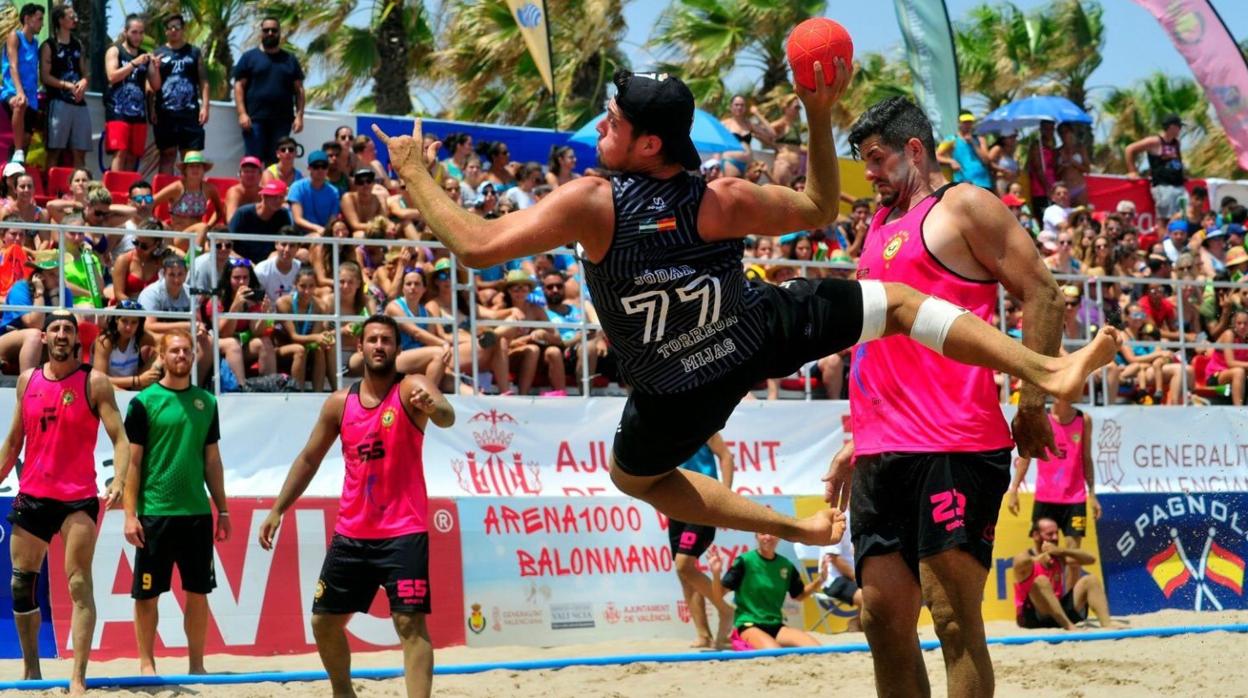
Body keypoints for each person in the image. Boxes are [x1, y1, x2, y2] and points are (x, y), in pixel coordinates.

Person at [376, 68, 1119, 552]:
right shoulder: (719, 198)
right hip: (752, 334)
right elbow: (825, 204)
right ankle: (1044, 371)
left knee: (636, 479)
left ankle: (789, 525)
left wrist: (413, 172)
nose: (604, 120)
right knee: (895, 304)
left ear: (649, 143)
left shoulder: (593, 203)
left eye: (615, 117)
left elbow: (474, 246)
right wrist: (817, 116)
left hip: (675, 383)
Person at [820, 95, 1095, 698]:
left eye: (875, 158)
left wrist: (1029, 405)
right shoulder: (878, 226)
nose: (868, 174)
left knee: (952, 621)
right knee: (879, 617)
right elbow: (879, 348)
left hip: (956, 441)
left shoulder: (965, 205)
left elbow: (1044, 295)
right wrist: (856, 440)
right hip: (882, 445)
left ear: (913, 149)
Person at [258, 315, 454, 698]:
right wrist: (278, 508)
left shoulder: (412, 386)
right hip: (353, 533)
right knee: (323, 622)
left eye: (386, 340)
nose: (379, 346)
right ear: (359, 349)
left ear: (397, 349)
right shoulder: (339, 404)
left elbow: (446, 416)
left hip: (403, 531)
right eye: (372, 340)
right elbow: (308, 459)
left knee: (409, 623)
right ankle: (343, 693)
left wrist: (434, 407)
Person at [0, 310, 130, 695]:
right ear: (43, 337)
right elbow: (12, 442)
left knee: (78, 584)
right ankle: (32, 670)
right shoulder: (28, 381)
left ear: (77, 339)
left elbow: (121, 439)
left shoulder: (95, 382)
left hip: (77, 499)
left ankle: (77, 677)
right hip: (33, 495)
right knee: (22, 586)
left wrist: (119, 480)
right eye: (55, 328)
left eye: (68, 330)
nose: (61, 335)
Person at [122, 329, 229, 675]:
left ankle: (196, 665)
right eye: (175, 351)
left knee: (198, 593)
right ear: (162, 356)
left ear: (194, 356)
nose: (182, 356)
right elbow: (132, 464)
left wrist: (223, 509)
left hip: (197, 513)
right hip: (156, 513)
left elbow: (212, 460)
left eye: (187, 351)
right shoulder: (144, 402)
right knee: (147, 595)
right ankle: (146, 662)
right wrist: (129, 515)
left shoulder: (206, 402)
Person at [1006, 397, 1099, 584]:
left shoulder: (1084, 419)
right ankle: (1046, 605)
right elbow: (1026, 455)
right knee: (1043, 557)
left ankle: (1070, 606)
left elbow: (1086, 458)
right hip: (1045, 497)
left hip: (1075, 498)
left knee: (1073, 558)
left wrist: (1092, 493)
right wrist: (1014, 489)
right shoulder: (1041, 419)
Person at [669, 434, 736, 649]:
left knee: (684, 565)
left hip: (704, 503)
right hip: (674, 506)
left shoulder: (703, 425)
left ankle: (725, 610)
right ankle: (703, 634)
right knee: (684, 573)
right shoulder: (660, 429)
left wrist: (725, 496)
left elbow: (726, 457)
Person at [709, 531, 823, 649]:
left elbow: (799, 595)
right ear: (756, 536)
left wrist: (821, 579)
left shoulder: (786, 565)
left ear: (779, 537)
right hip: (749, 624)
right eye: (763, 533)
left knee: (816, 648)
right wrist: (716, 574)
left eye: (772, 533)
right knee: (774, 651)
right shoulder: (744, 561)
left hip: (776, 626)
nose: (768, 537)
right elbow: (719, 594)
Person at [1012, 517, 1120, 630]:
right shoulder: (1026, 560)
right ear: (1036, 535)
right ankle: (1069, 626)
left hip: (1059, 613)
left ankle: (1107, 623)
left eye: (1056, 533)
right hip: (1034, 616)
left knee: (1091, 580)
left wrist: (1062, 551)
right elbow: (1020, 562)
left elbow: (1091, 560)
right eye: (1050, 534)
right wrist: (1040, 558)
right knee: (1041, 580)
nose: (1055, 537)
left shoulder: (1058, 557)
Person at [233, 16, 305, 165]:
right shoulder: (249, 57)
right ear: (261, 33)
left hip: (282, 121)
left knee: (276, 164)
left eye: (274, 30)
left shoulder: (290, 59)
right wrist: (242, 113)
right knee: (253, 162)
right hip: (255, 120)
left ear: (279, 33)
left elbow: (299, 90)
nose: (270, 33)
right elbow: (239, 85)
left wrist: (299, 116)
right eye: (266, 30)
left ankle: (273, 189)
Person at [150, 13, 210, 175]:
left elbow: (203, 80)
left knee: (190, 158)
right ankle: (163, 196)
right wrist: (151, 108)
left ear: (183, 29)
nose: (174, 30)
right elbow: (151, 85)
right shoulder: (158, 53)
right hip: (165, 112)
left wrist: (205, 106)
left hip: (190, 113)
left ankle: (189, 197)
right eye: (170, 28)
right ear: (166, 31)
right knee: (167, 155)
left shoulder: (194, 52)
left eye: (177, 27)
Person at [40, 4, 90, 169]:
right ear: (61, 20)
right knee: (55, 151)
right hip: (58, 102)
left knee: (80, 151)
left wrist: (83, 82)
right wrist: (66, 85)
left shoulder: (78, 44)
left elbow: (85, 73)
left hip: (80, 103)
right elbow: (45, 77)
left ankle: (78, 192)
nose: (75, 19)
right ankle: (50, 192)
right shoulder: (49, 45)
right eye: (71, 16)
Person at [103, 14, 151, 173]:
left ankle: (128, 192)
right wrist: (133, 64)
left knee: (133, 155)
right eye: (134, 32)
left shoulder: (144, 55)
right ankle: (115, 191)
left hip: (139, 113)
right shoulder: (115, 50)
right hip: (118, 112)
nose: (138, 37)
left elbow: (156, 85)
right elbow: (112, 76)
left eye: (141, 32)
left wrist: (155, 65)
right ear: (125, 32)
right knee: (120, 152)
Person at [0, 4, 43, 164]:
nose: (42, 24)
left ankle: (15, 166)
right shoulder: (15, 36)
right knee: (19, 105)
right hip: (12, 90)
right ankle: (17, 151)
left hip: (31, 96)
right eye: (39, 19)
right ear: (27, 19)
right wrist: (19, 91)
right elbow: (13, 65)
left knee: (26, 138)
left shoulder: (36, 43)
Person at [1125, 114, 1187, 222]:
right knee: (1164, 219)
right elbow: (1130, 149)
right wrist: (1132, 171)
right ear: (1172, 127)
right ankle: (1164, 238)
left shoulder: (1176, 143)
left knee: (1182, 216)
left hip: (1178, 185)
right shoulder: (1155, 141)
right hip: (1163, 185)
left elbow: (1178, 160)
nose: (1180, 130)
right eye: (1179, 127)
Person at [228, 179, 294, 262]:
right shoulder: (243, 213)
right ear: (263, 197)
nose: (277, 200)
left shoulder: (283, 215)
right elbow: (226, 245)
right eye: (273, 197)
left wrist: (274, 255)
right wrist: (245, 262)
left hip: (270, 264)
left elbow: (289, 243)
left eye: (281, 197)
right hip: (241, 264)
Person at [937, 110, 993, 190]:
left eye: (969, 122)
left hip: (983, 183)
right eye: (965, 122)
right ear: (959, 123)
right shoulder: (952, 139)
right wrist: (951, 161)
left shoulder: (979, 139)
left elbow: (987, 160)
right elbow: (936, 156)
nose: (967, 125)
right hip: (962, 183)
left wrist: (973, 143)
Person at [288, 149, 340, 234]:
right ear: (309, 168)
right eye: (316, 166)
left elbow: (332, 218)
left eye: (324, 166)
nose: (320, 169)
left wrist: (325, 233)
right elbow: (297, 219)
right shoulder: (297, 187)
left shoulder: (334, 191)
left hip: (324, 234)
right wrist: (318, 229)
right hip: (300, 235)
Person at [224, 155, 264, 222]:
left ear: (260, 175)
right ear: (239, 175)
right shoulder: (235, 192)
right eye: (246, 171)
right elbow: (231, 220)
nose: (250, 174)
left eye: (253, 171)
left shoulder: (264, 193)